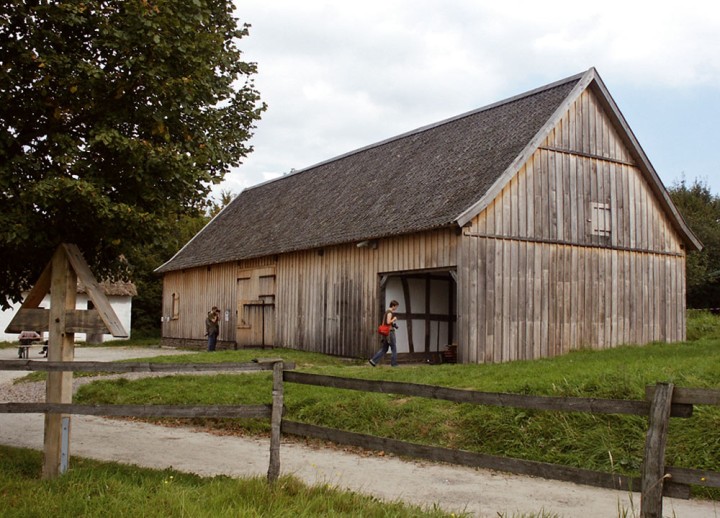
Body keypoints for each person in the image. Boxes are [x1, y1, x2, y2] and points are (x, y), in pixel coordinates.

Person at [369, 300, 399, 367]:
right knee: (394, 348)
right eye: (396, 306)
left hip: (386, 333)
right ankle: (394, 364)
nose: (396, 308)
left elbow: (386, 323)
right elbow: (388, 322)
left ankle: (373, 361)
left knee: (384, 349)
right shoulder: (389, 312)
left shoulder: (386, 312)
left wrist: (394, 325)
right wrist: (394, 319)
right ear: (393, 306)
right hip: (390, 332)